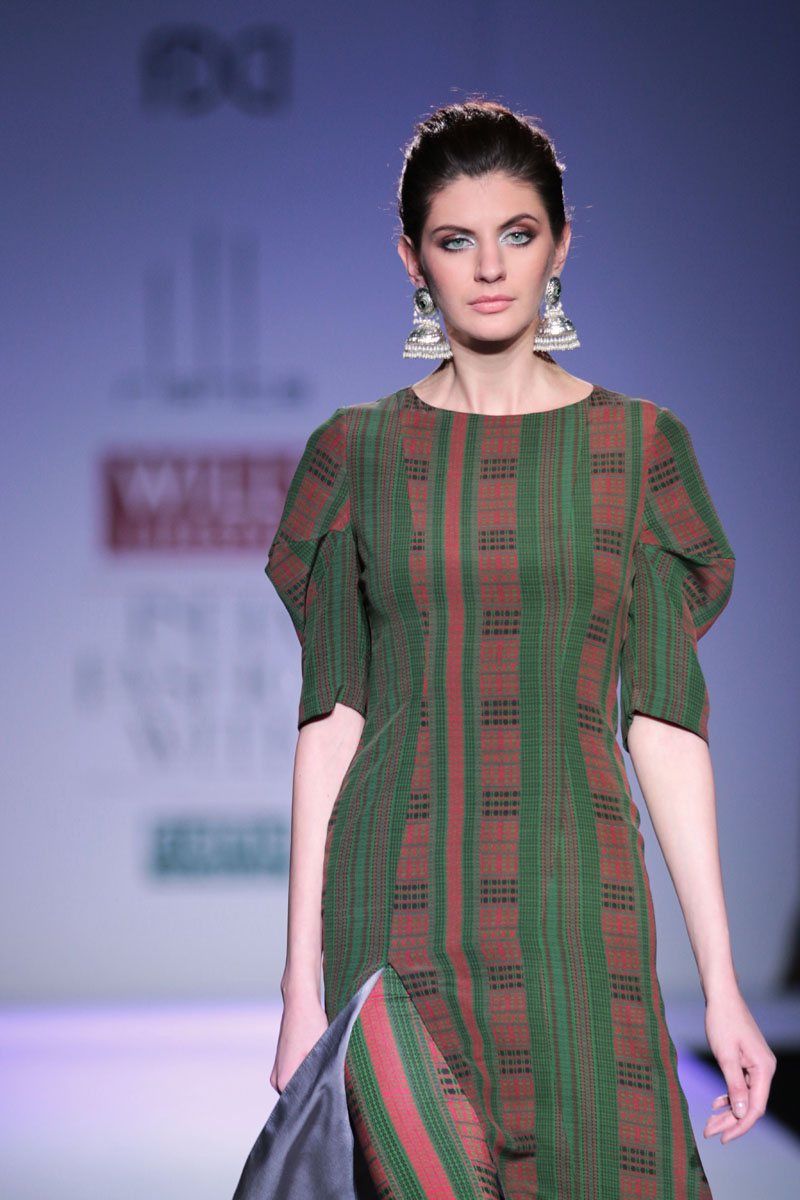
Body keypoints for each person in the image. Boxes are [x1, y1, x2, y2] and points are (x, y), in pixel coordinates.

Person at [257, 101, 776, 1199]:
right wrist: (299, 986)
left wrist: (722, 983)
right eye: (456, 240)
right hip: (393, 903)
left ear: (560, 245)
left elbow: (663, 721)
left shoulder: (635, 449)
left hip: (574, 905)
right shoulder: (356, 453)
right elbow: (331, 719)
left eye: (517, 233)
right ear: (413, 259)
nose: (489, 268)